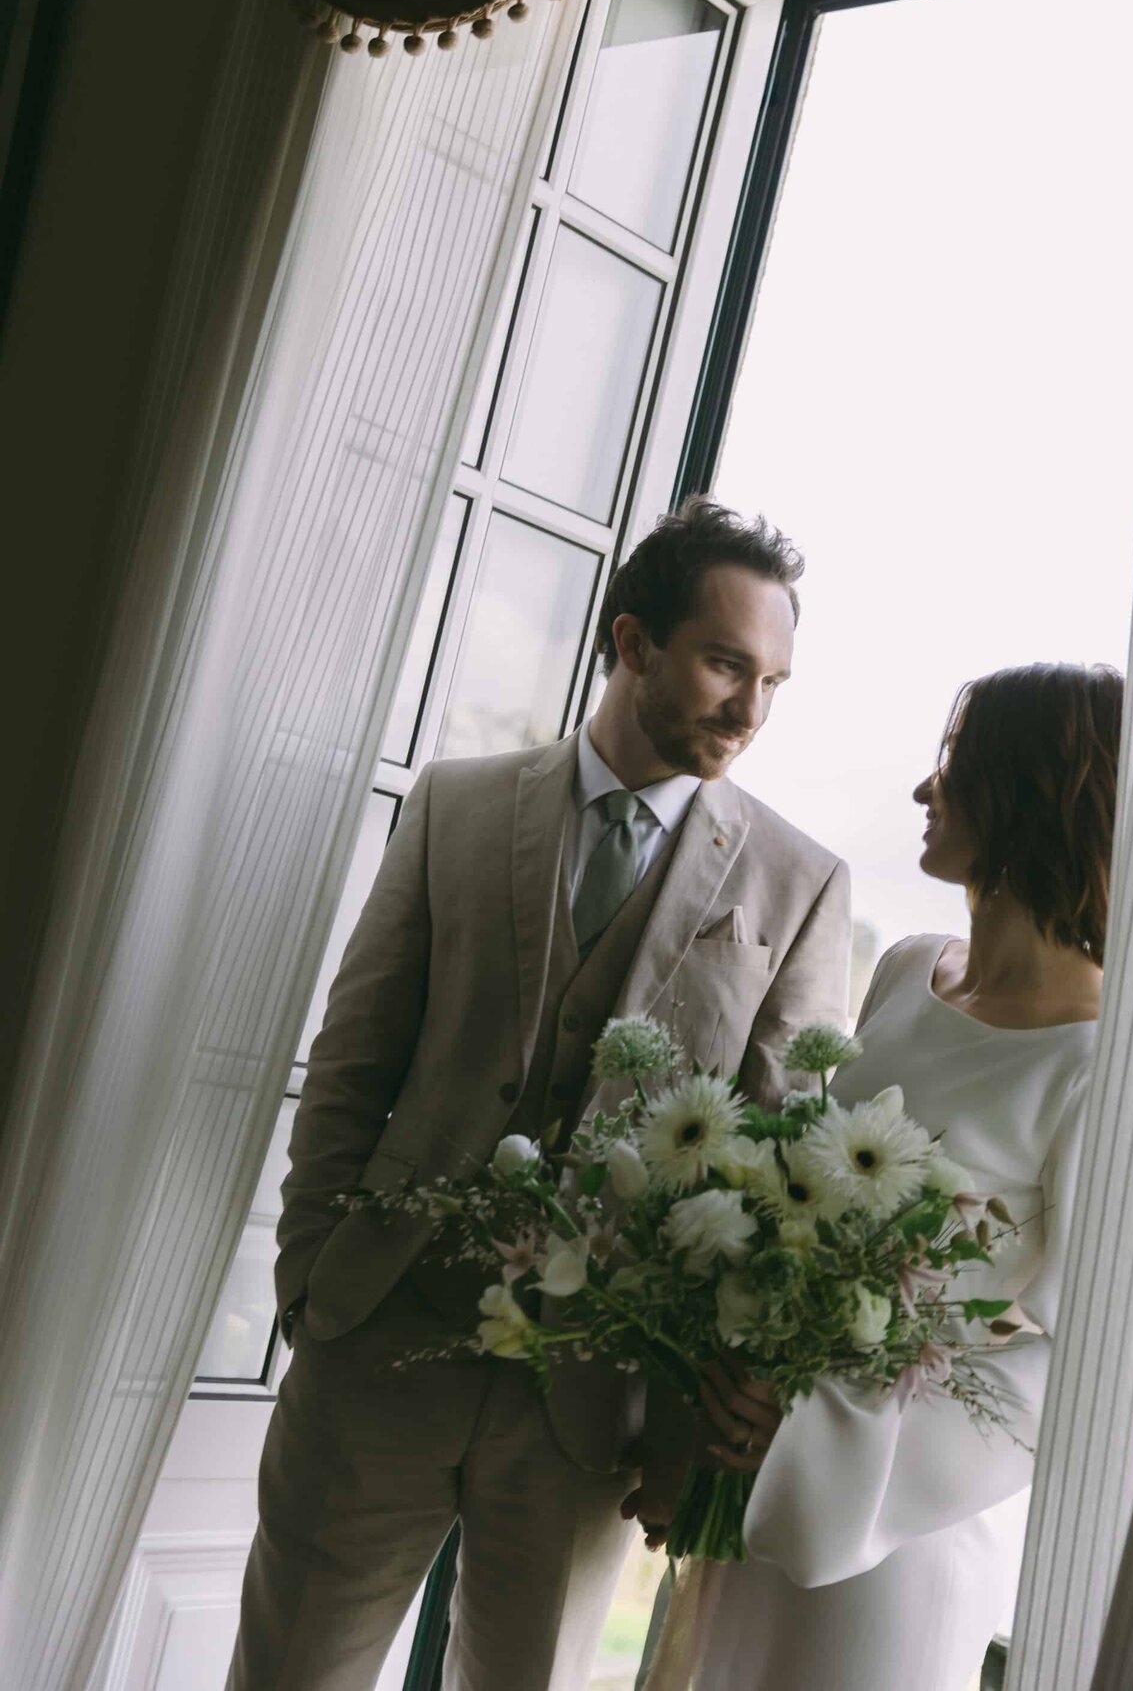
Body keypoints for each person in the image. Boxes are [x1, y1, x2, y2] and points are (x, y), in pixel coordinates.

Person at [226, 498, 852, 1691]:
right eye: (726, 664)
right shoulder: (458, 808)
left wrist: (684, 1432)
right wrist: (313, 1280)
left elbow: (776, 1187)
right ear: (632, 642)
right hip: (381, 1348)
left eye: (774, 680)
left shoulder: (798, 883)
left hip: (591, 1407)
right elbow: (354, 1063)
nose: (750, 709)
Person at [688, 661, 1122, 1691]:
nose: (925, 792)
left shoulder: (1104, 1065)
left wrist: (815, 1431)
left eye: (954, 767)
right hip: (747, 1484)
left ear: (1025, 794)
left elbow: (1073, 1362)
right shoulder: (905, 969)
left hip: (887, 1526)